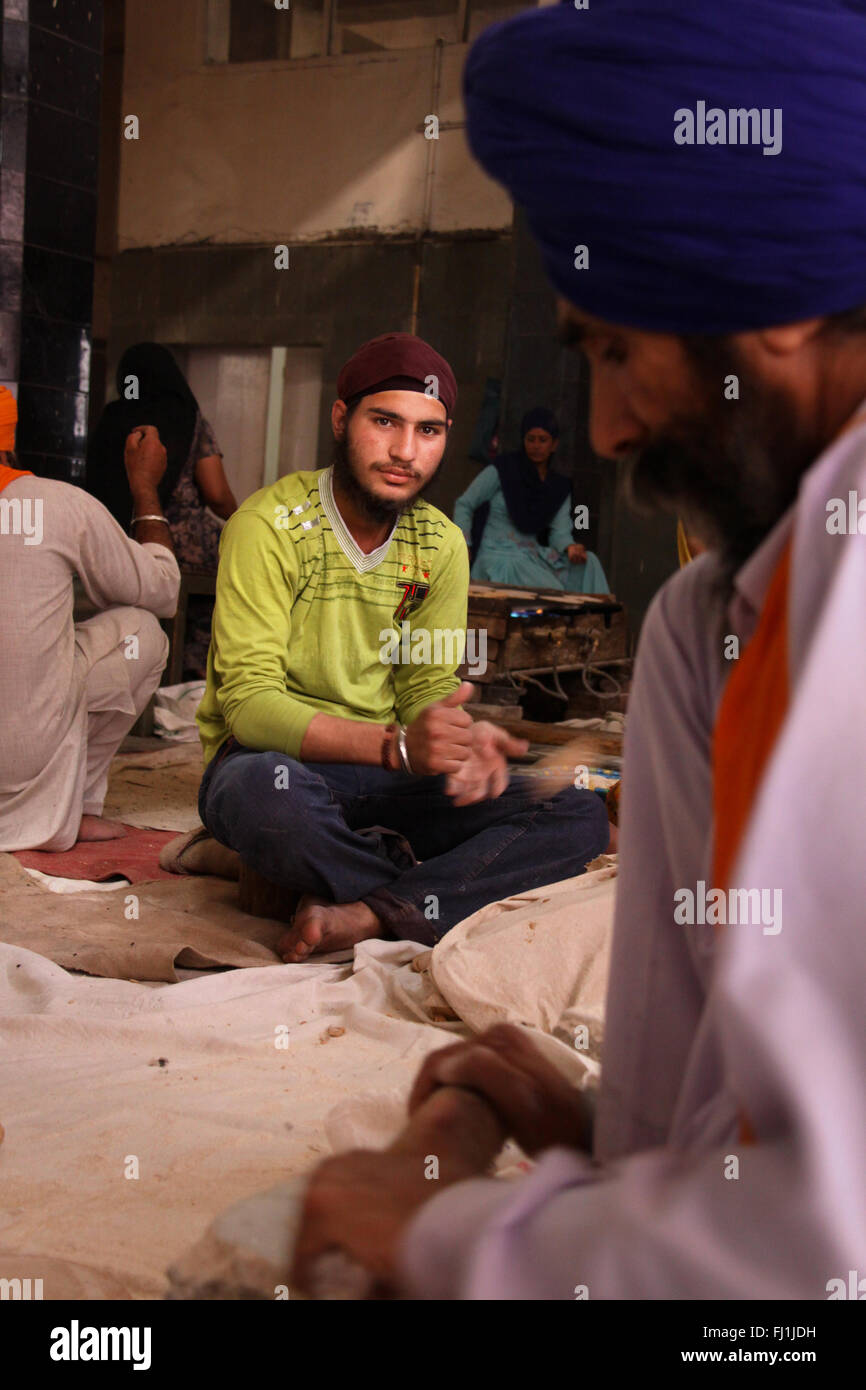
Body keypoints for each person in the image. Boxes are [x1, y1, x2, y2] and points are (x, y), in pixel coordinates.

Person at [288, 0, 866, 1299]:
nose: (603, 429)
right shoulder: (704, 623)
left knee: (549, 809)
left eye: (617, 348)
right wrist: (609, 1139)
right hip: (332, 768)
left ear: (768, 302)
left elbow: (829, 1249)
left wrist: (441, 1237)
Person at [194, 332, 610, 960]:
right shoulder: (269, 527)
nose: (404, 451)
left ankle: (363, 908)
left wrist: (455, 736)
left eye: (429, 431)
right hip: (276, 763)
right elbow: (249, 705)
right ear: (341, 418)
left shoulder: (439, 543)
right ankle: (421, 893)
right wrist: (396, 747)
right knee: (265, 798)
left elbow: (424, 684)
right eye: (384, 421)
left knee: (575, 809)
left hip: (390, 777)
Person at [0, 387, 179, 851]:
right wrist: (144, 487)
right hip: (18, 762)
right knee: (144, 631)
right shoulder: (53, 503)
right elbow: (163, 590)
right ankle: (72, 809)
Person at [87, 343, 237, 677]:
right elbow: (216, 493)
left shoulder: (113, 417)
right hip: (183, 546)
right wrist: (242, 518)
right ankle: (185, 682)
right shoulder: (189, 420)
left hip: (117, 542)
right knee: (212, 605)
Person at [453, 406, 609, 591]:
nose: (536, 446)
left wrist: (570, 547)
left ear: (554, 444)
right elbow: (465, 504)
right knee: (533, 577)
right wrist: (464, 545)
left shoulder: (557, 486)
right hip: (498, 556)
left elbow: (560, 531)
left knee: (588, 562)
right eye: (530, 439)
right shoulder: (503, 469)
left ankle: (592, 618)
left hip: (532, 555)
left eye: (543, 440)